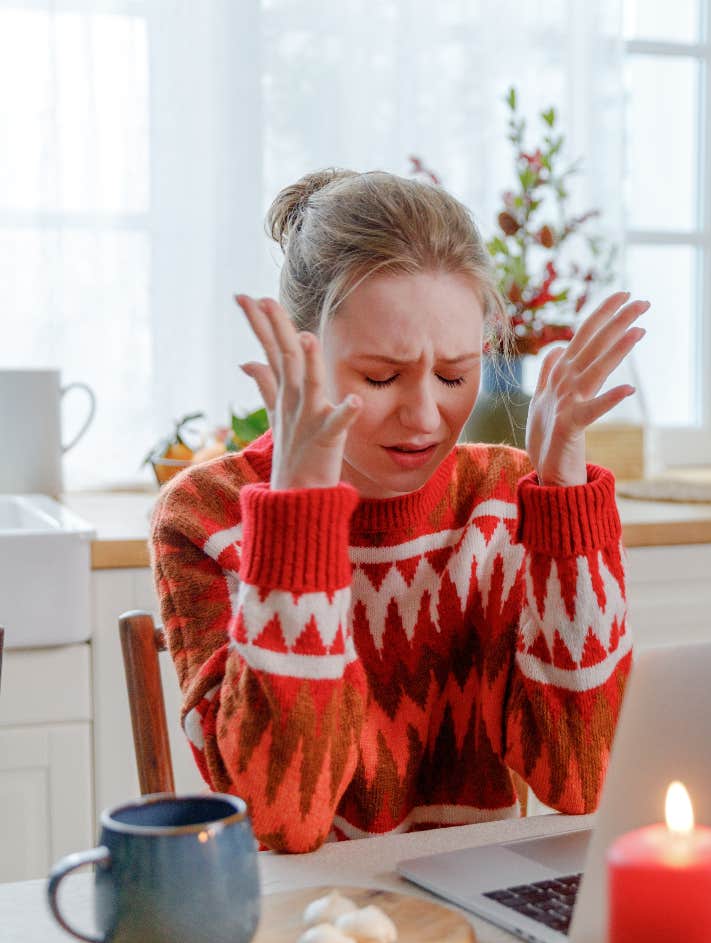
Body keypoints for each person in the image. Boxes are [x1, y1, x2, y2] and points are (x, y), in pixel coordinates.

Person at [150, 168, 649, 853]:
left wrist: (563, 493)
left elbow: (583, 779)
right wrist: (298, 513)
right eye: (380, 376)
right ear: (305, 353)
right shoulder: (206, 516)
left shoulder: (500, 497)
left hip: (471, 909)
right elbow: (283, 818)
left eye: (454, 375)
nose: (424, 417)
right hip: (296, 926)